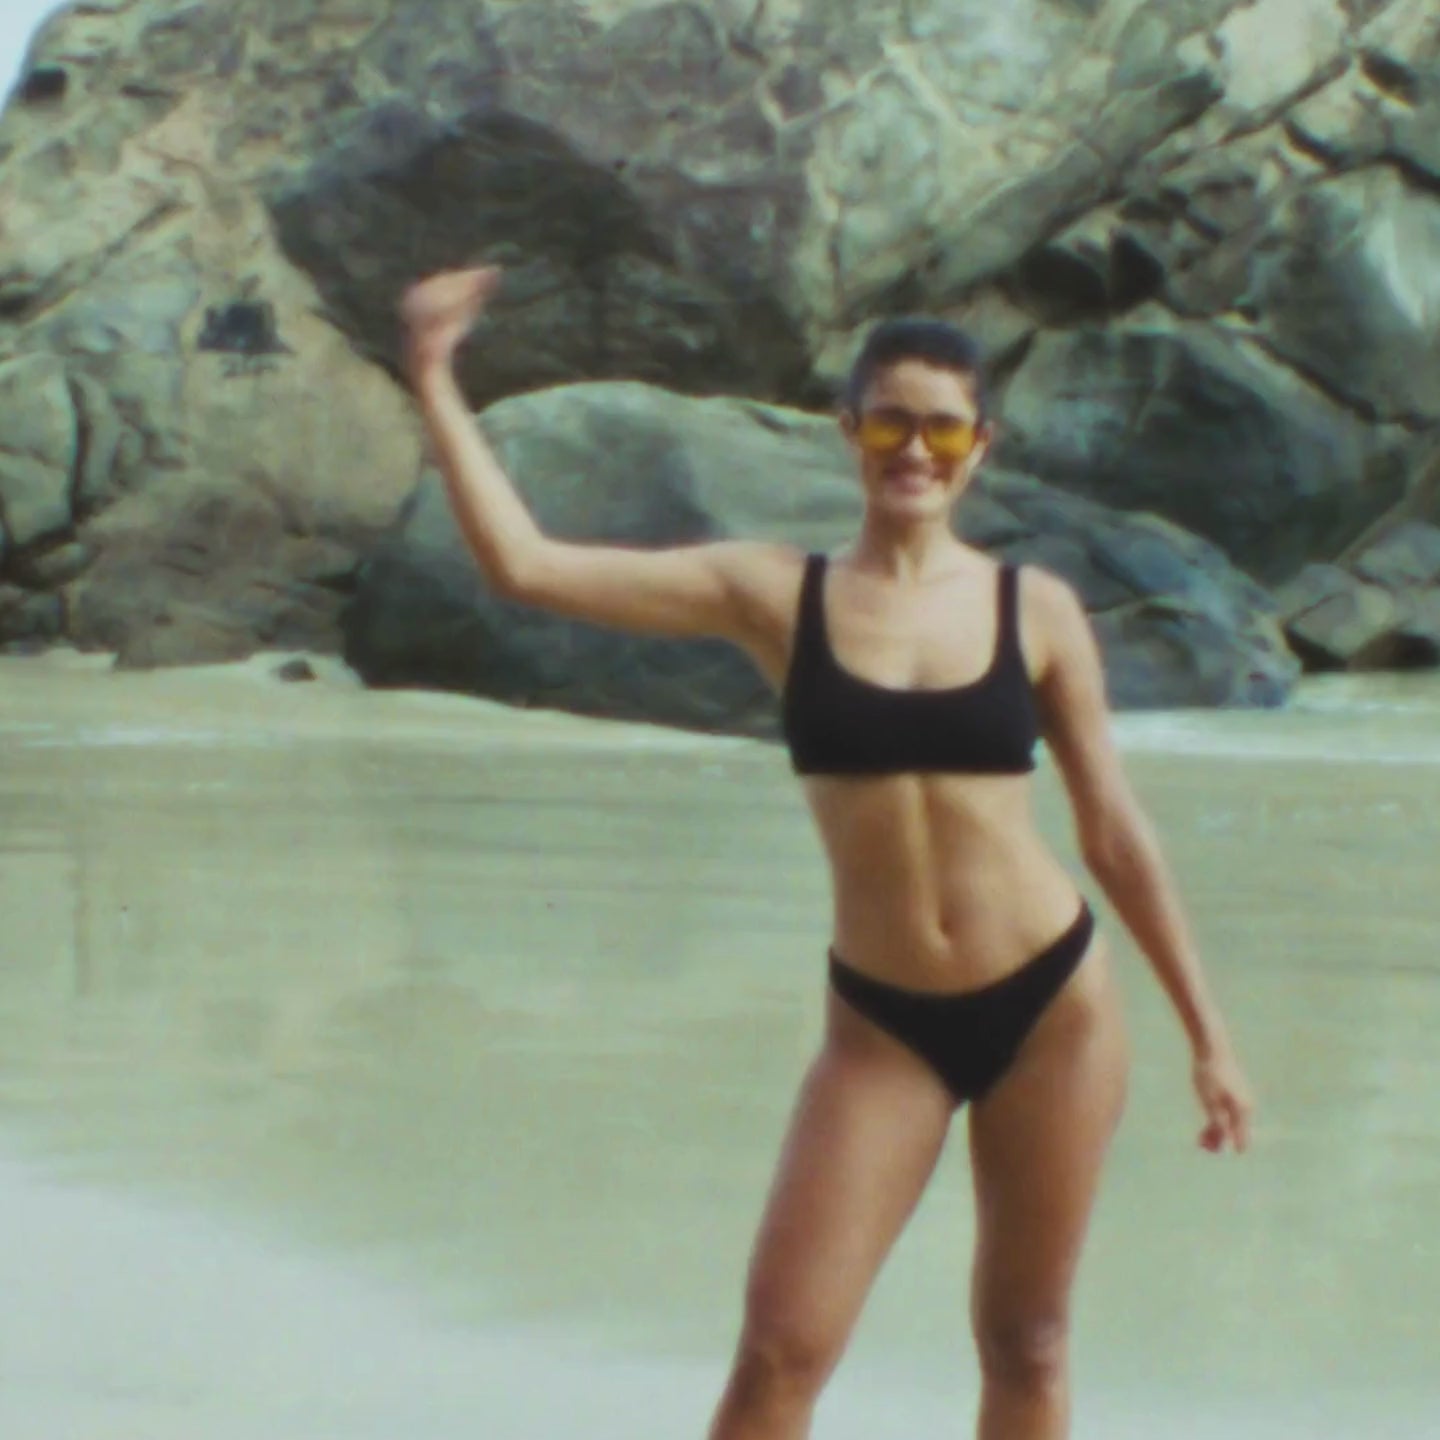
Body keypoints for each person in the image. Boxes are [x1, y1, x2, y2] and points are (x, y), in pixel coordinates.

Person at [398, 267, 1255, 1440]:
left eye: (942, 427)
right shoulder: (772, 595)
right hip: (883, 1027)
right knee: (780, 1352)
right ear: (849, 430)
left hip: (1054, 1009)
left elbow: (1112, 828)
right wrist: (433, 377)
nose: (916, 450)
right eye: (891, 422)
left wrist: (1209, 1035)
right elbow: (528, 567)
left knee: (1028, 1340)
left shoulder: (1036, 609)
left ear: (980, 446)